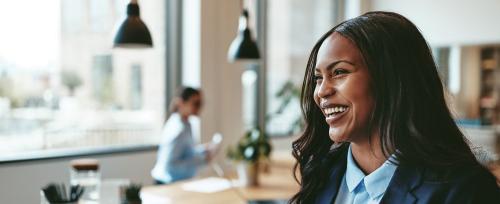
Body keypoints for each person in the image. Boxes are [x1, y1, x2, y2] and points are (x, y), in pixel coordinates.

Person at [289, 11, 500, 204]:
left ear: (391, 79)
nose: (321, 91)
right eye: (318, 78)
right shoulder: (321, 173)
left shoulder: (465, 191)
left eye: (339, 72)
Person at [151, 87, 216, 184]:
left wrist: (202, 150)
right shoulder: (178, 128)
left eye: (200, 103)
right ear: (181, 103)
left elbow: (185, 153)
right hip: (167, 184)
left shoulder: (186, 124)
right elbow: (171, 166)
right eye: (195, 103)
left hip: (177, 182)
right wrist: (202, 160)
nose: (199, 107)